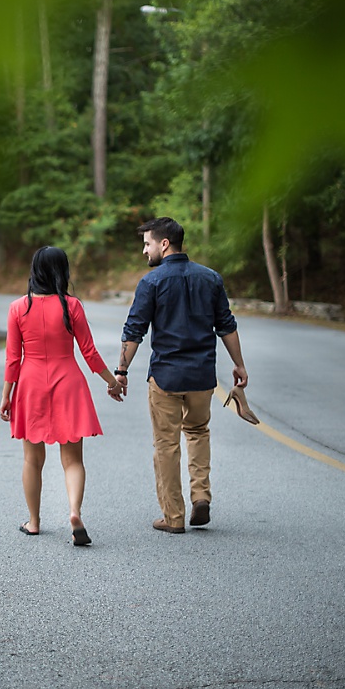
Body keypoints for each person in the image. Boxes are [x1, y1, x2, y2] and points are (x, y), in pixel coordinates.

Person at [115, 217, 250, 534]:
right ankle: (201, 495)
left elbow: (134, 331)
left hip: (165, 377)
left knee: (166, 445)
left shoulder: (151, 282)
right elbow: (226, 325)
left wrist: (121, 370)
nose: (144, 251)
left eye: (147, 243)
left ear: (164, 244)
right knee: (198, 432)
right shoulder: (211, 278)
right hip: (203, 377)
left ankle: (173, 517)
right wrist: (239, 364)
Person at [0, 246, 124, 547]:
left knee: (32, 459)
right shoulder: (72, 306)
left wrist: (6, 395)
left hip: (30, 384)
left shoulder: (18, 308)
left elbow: (12, 358)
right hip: (68, 381)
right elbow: (89, 352)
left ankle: (34, 522)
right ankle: (74, 512)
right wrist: (113, 382)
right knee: (72, 460)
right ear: (62, 271)